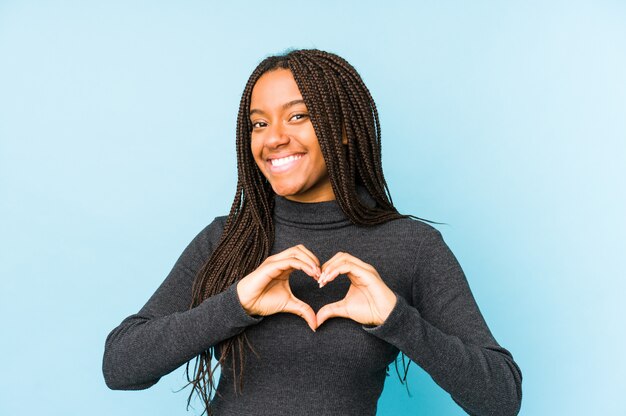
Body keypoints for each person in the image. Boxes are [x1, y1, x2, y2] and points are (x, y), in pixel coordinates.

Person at [103, 49, 522, 415]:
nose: (274, 139)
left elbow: (501, 398)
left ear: (341, 128)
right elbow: (121, 365)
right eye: (259, 123)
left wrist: (398, 320)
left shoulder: (411, 248)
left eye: (298, 116)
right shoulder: (228, 240)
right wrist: (237, 305)